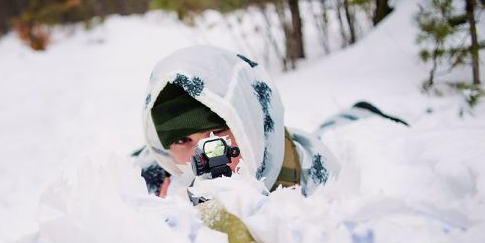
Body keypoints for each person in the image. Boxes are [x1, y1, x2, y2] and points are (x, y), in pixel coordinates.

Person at [135, 45, 405, 200]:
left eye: (218, 131)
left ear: (246, 126)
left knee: (338, 131)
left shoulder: (312, 172)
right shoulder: (158, 174)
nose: (205, 153)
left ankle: (360, 111)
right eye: (183, 140)